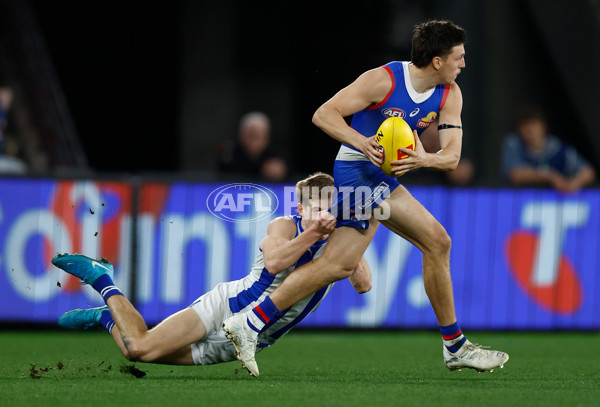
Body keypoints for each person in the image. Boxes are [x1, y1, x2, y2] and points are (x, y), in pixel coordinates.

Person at [222, 19, 509, 375]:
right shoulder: (384, 79)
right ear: (437, 60)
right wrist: (362, 143)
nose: (463, 63)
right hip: (356, 170)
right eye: (458, 57)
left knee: (341, 263)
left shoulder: (450, 93)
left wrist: (424, 159)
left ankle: (248, 323)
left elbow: (451, 157)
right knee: (435, 242)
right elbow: (323, 114)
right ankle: (455, 346)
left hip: (384, 179)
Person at [52, 172, 371, 376]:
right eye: (315, 208)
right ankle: (101, 278)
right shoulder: (285, 225)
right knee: (141, 347)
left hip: (251, 339)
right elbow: (274, 263)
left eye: (330, 208)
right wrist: (314, 234)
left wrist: (352, 242)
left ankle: (105, 318)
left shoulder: (339, 242)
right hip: (226, 306)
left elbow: (363, 285)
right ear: (301, 209)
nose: (323, 215)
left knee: (136, 351)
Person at [501, 105, 596, 193]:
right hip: (522, 201)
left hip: (553, 202)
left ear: (543, 126)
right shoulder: (514, 144)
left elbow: (588, 172)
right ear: (519, 130)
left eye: (533, 124)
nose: (529, 129)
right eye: (524, 125)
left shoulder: (557, 147)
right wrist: (550, 176)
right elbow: (516, 174)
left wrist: (573, 184)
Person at [218, 111, 288, 182]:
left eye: (261, 137)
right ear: (241, 136)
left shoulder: (275, 155)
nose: (256, 142)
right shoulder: (230, 155)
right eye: (252, 136)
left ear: (268, 139)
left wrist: (280, 172)